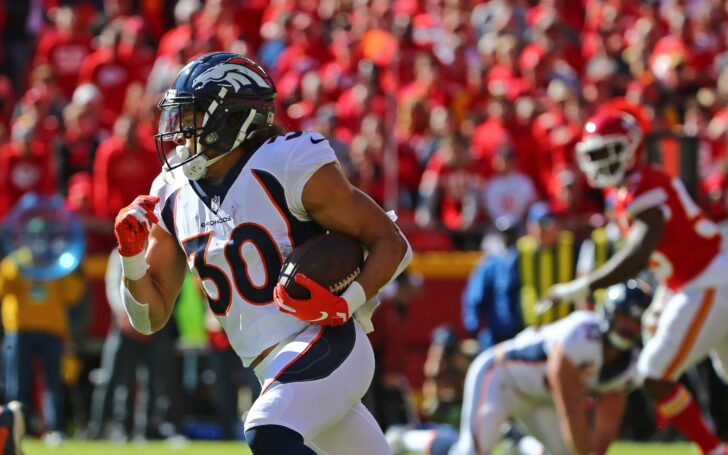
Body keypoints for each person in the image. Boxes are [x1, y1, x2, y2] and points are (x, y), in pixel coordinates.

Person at [112, 52, 412, 454]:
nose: (180, 134)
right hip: (271, 368)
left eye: (193, 118)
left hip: (326, 343)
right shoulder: (172, 193)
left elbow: (391, 243)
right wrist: (131, 258)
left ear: (230, 119)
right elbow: (149, 318)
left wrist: (348, 302)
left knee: (267, 429)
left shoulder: (285, 162)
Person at [540, 102, 728, 454]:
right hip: (698, 280)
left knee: (654, 373)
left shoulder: (643, 185)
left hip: (707, 281)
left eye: (609, 152)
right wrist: (664, 298)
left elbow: (640, 250)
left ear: (632, 149)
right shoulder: (631, 188)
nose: (601, 163)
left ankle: (712, 449)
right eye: (595, 155)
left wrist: (585, 284)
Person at [387, 280, 649, 455]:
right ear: (609, 313)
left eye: (636, 320)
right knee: (470, 451)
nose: (629, 326)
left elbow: (605, 429)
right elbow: (569, 408)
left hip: (541, 398)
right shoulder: (581, 334)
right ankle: (406, 438)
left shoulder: (630, 366)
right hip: (502, 378)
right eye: (625, 316)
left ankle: (518, 443)